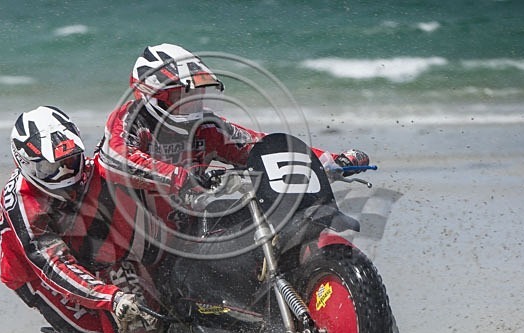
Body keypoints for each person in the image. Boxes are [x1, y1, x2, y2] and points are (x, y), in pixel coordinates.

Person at [98, 43, 370, 238]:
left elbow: (258, 145)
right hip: (130, 232)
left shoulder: (205, 126)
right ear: (157, 95)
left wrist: (329, 160)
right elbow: (116, 158)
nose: (196, 104)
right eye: (185, 96)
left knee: (250, 218)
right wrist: (182, 178)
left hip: (189, 222)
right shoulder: (131, 119)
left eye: (199, 95)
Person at [0, 105, 163, 333]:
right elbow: (55, 267)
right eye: (50, 169)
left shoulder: (90, 169)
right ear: (26, 165)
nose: (64, 173)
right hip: (37, 274)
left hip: (92, 251)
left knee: (148, 327)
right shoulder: (25, 204)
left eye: (70, 160)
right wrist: (112, 297)